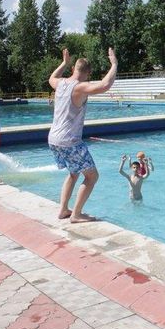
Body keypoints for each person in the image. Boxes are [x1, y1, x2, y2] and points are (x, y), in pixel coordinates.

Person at [48, 48, 117, 223]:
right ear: (88, 73)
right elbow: (104, 85)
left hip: (54, 139)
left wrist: (63, 63)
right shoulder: (80, 87)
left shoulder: (60, 83)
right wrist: (114, 64)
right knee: (92, 176)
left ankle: (63, 210)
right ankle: (76, 214)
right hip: (69, 141)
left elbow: (51, 78)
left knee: (73, 172)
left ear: (73, 70)